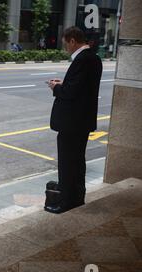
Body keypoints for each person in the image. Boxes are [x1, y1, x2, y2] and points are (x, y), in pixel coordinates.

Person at [45, 26, 102, 214]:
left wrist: (56, 88)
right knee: (77, 162)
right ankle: (77, 198)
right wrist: (65, 83)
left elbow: (71, 93)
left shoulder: (82, 59)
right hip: (82, 122)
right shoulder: (94, 58)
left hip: (72, 123)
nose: (65, 48)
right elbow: (82, 89)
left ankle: (66, 202)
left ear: (72, 41)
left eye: (65, 44)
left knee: (68, 163)